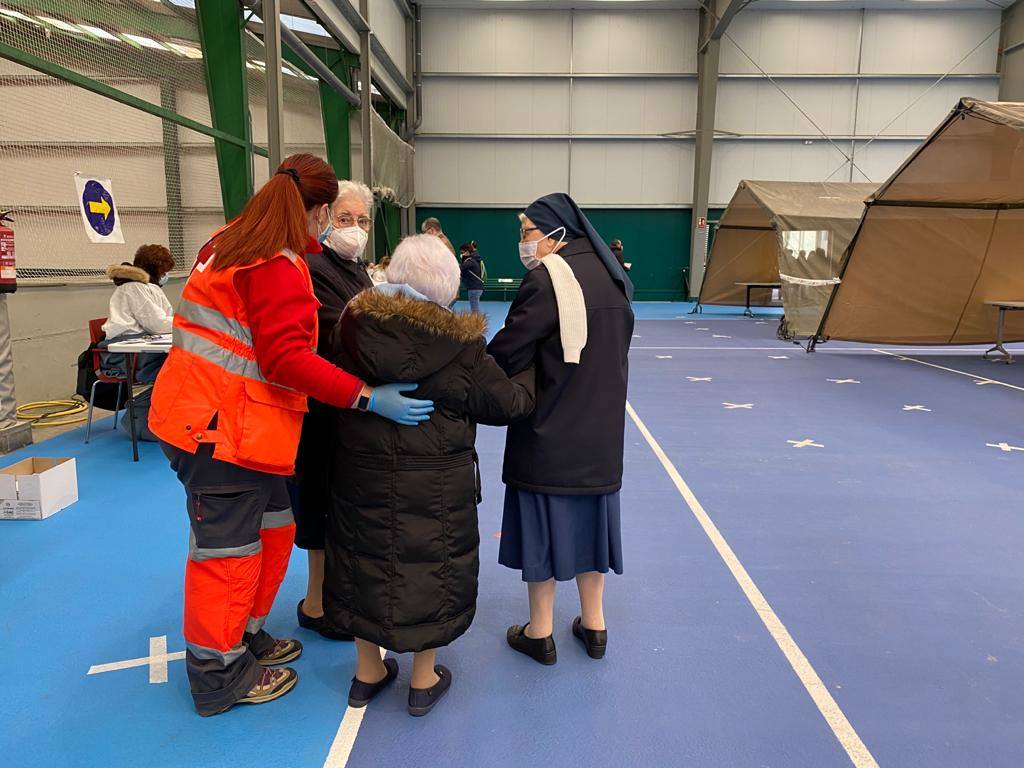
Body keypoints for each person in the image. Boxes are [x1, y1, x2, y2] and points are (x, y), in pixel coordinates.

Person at [148, 154, 435, 717]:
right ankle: (218, 674)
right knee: (226, 553)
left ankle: (247, 635)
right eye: (337, 216)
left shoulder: (231, 240)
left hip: (236, 425)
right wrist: (366, 395)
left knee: (276, 527)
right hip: (218, 430)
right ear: (321, 210)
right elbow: (285, 359)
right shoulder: (270, 263)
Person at [323, 234, 535, 717]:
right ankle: (423, 679)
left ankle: (367, 672)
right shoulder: (459, 345)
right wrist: (532, 374)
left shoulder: (350, 328)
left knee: (363, 561)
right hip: (436, 483)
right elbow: (507, 404)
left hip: (362, 474)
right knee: (431, 570)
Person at [488, 192, 634, 666]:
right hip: (602, 431)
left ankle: (541, 632)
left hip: (551, 428)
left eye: (527, 231)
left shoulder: (548, 280)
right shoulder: (613, 275)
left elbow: (509, 349)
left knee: (541, 531)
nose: (523, 242)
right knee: (594, 528)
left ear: (556, 233)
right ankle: (594, 626)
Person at [292, 180, 375, 641]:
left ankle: (330, 595)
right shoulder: (314, 267)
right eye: (345, 219)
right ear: (325, 218)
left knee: (338, 504)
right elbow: (341, 330)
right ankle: (318, 603)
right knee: (319, 503)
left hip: (347, 407)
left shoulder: (356, 269)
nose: (355, 229)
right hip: (321, 407)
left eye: (362, 221)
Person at [102, 244, 175, 384]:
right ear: (156, 270)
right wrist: (184, 323)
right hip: (123, 351)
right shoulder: (134, 287)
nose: (165, 275)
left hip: (140, 345)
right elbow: (158, 325)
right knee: (175, 361)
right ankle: (144, 402)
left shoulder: (150, 288)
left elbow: (164, 320)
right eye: (163, 271)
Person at [459, 241, 485, 314]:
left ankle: (477, 324)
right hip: (476, 288)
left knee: (474, 310)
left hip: (474, 288)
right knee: (475, 308)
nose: (461, 254)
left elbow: (460, 268)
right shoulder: (474, 259)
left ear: (467, 252)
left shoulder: (470, 262)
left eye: (462, 252)